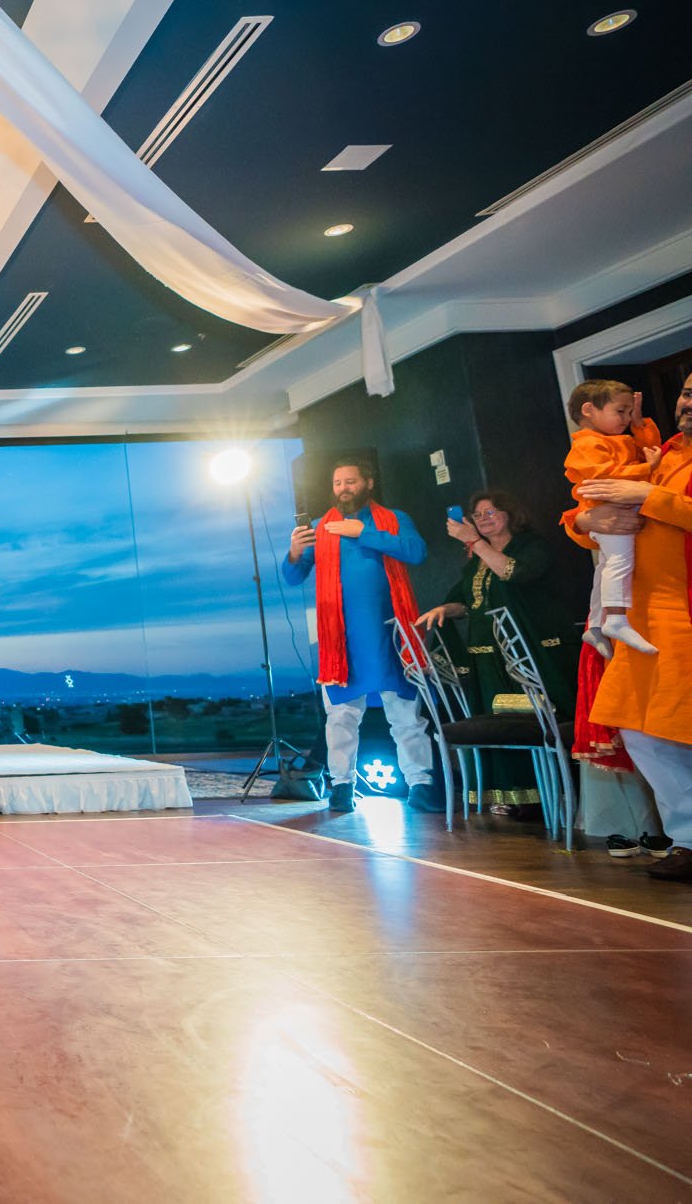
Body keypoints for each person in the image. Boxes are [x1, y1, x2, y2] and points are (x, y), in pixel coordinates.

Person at [569, 372, 692, 882]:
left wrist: (643, 494)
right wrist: (582, 523)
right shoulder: (659, 451)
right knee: (643, 731)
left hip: (683, 611)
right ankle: (687, 837)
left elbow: (645, 503)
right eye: (685, 392)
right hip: (641, 616)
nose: (688, 402)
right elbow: (586, 512)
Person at [283, 459, 442, 814]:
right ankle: (342, 786)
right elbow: (293, 577)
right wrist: (294, 552)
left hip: (390, 632)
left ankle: (422, 784)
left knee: (404, 713)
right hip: (341, 639)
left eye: (350, 481)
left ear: (368, 483)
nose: (343, 488)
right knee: (340, 717)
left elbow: (416, 552)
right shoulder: (322, 527)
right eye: (337, 483)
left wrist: (362, 533)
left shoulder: (393, 519)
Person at [415, 490, 578, 815]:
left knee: (545, 722)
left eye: (491, 512)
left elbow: (513, 572)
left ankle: (562, 795)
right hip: (491, 660)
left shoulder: (532, 546)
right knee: (503, 723)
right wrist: (445, 608)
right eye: (478, 515)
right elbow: (467, 600)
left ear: (509, 514)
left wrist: (475, 543)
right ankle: (515, 797)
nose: (484, 519)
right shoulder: (476, 562)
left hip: (534, 655)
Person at [564, 379, 662, 655]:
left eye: (629, 412)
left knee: (606, 568)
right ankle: (616, 620)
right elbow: (608, 477)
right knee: (619, 561)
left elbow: (653, 451)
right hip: (611, 510)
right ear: (588, 410)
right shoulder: (587, 445)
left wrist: (639, 421)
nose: (626, 418)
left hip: (614, 510)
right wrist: (645, 469)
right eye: (621, 411)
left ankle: (595, 624)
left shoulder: (614, 439)